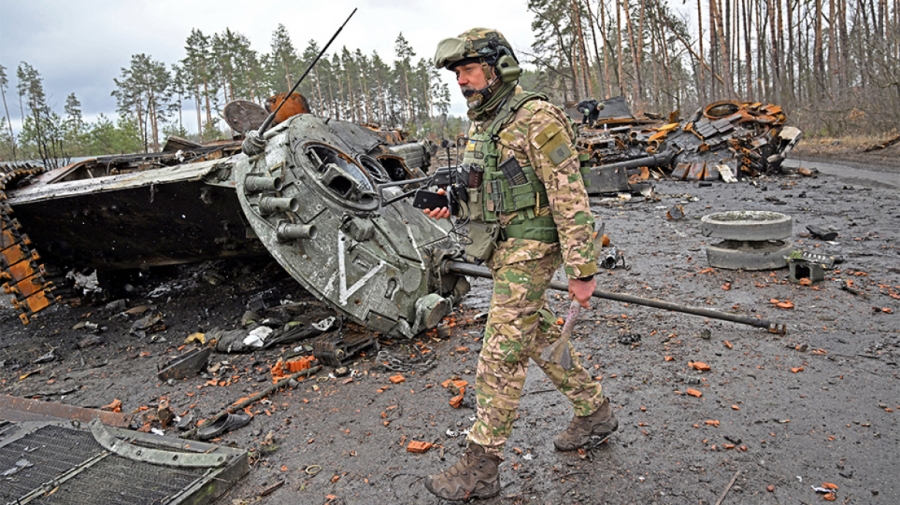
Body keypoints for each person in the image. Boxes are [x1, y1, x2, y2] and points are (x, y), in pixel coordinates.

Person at [423, 28, 618, 501]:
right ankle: (594, 411)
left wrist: (582, 270)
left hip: (531, 247)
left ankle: (480, 466)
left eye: (468, 70)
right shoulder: (485, 121)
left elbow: (570, 196)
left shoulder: (536, 117)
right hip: (502, 246)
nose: (462, 81)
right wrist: (453, 201)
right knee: (536, 333)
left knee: (501, 353)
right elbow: (493, 187)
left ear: (497, 67)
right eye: (457, 73)